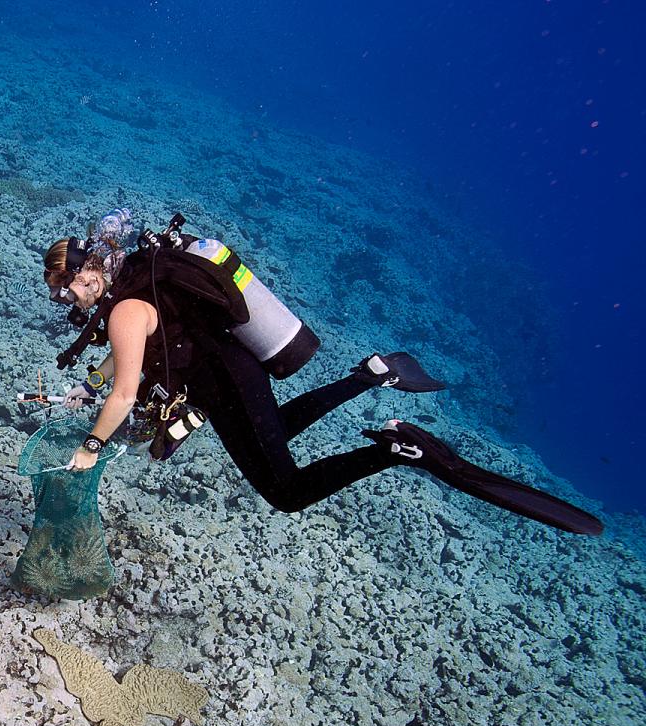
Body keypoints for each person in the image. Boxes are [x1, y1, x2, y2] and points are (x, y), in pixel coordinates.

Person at [41, 210, 602, 535]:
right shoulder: (138, 290)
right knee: (275, 433)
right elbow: (129, 354)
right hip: (230, 376)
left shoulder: (123, 307)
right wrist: (84, 389)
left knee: (285, 491)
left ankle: (396, 450)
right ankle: (368, 376)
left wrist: (91, 446)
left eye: (63, 288)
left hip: (229, 382)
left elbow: (128, 388)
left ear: (86, 273)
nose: (65, 300)